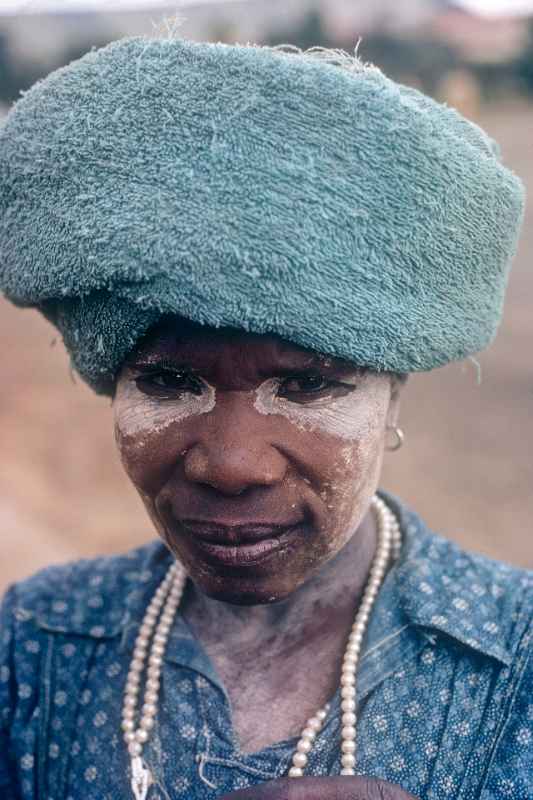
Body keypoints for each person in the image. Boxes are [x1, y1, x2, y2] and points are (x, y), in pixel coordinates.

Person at [0, 36, 531, 800]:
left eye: (310, 387)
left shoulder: (515, 658)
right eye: (167, 381)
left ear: (394, 394)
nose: (232, 464)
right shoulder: (37, 643)